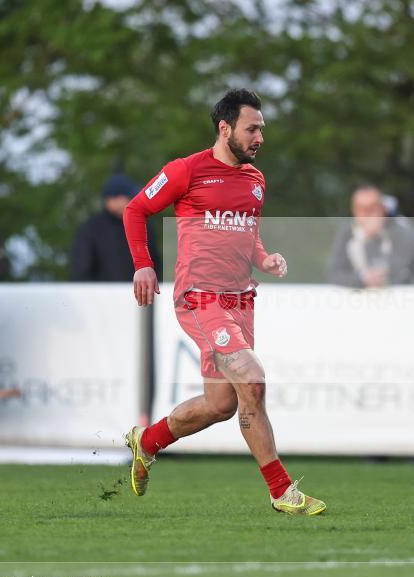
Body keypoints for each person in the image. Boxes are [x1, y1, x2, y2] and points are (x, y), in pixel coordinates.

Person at [122, 89, 325, 515]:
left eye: (262, 130)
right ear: (225, 127)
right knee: (252, 379)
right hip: (200, 298)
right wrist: (143, 264)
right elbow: (136, 210)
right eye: (252, 129)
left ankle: (148, 441)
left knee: (221, 404)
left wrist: (263, 257)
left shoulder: (256, 180)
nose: (260, 138)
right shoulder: (186, 171)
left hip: (240, 300)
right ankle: (281, 491)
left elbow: (246, 234)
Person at [327, 185, 414, 288]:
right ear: (354, 211)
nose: (366, 214)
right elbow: (334, 274)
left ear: (382, 209)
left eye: (371, 208)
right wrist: (361, 278)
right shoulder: (347, 233)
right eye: (361, 208)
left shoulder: (400, 230)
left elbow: (398, 271)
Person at [71, 173, 163, 281]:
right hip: (101, 296)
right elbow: (81, 272)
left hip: (140, 296)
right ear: (111, 200)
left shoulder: (145, 226)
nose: (134, 201)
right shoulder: (90, 230)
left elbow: (156, 266)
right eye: (129, 197)